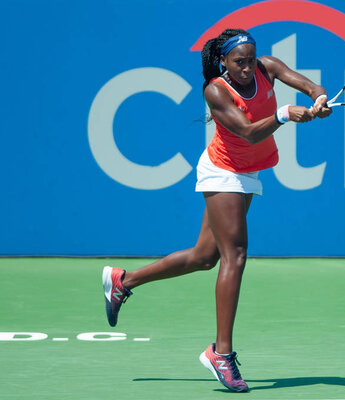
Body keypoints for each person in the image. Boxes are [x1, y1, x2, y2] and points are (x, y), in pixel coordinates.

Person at [102, 28, 331, 393]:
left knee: (204, 257)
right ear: (223, 61)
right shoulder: (215, 90)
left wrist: (318, 98)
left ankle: (122, 282)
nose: (246, 68)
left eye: (250, 60)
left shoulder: (267, 68)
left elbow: (304, 83)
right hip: (222, 171)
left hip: (248, 171)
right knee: (235, 254)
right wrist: (285, 115)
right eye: (238, 62)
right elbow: (249, 132)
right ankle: (220, 353)